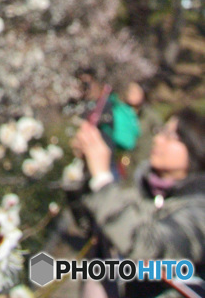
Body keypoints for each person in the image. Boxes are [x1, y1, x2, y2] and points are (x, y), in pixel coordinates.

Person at [73, 108, 205, 297]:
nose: (158, 140)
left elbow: (148, 247)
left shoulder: (199, 211)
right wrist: (89, 171)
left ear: (197, 147)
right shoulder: (143, 194)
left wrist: (102, 180)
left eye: (170, 136)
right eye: (160, 132)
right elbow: (89, 223)